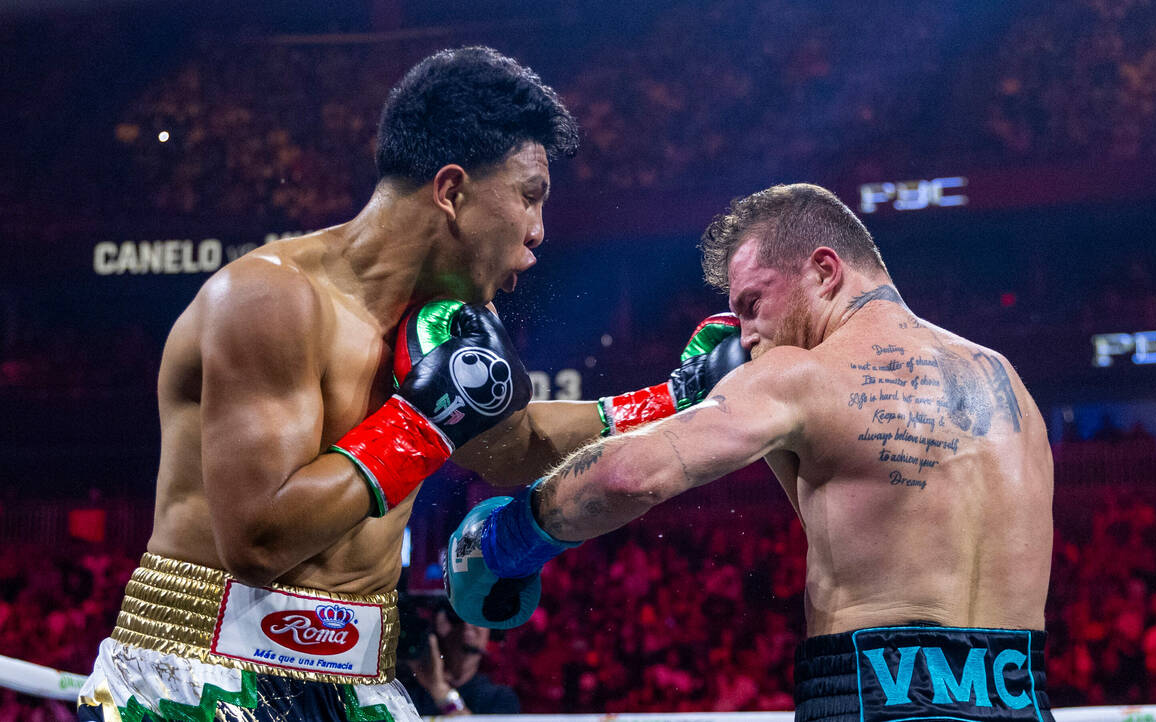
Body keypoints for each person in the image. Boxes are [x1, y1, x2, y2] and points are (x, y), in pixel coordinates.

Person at [78, 45, 744, 722]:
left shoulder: (448, 322)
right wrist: (421, 422)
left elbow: (512, 450)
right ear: (451, 191)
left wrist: (677, 396)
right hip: (202, 674)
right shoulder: (269, 299)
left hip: (360, 679)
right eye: (529, 197)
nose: (539, 233)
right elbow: (259, 543)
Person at [447, 183, 1057, 722]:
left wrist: (506, 539)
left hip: (874, 697)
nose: (744, 334)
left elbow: (628, 476)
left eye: (751, 304)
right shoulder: (1007, 383)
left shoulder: (802, 374)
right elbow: (867, 527)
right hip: (1022, 696)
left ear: (824, 270)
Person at [399, 599, 519, 716]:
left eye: (477, 618)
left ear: (491, 632)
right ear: (436, 624)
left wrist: (440, 690)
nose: (467, 624)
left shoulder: (499, 698)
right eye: (456, 616)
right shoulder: (404, 693)